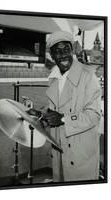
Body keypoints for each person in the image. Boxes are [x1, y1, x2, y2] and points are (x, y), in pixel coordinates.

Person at [28, 31, 101, 182]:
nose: (63, 55)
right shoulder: (54, 77)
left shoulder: (88, 75)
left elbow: (94, 115)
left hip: (80, 152)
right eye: (57, 51)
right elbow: (57, 109)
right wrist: (41, 114)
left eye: (66, 49)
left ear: (72, 50)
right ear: (52, 56)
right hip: (59, 149)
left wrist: (64, 119)